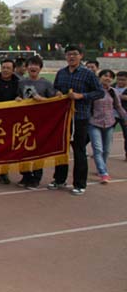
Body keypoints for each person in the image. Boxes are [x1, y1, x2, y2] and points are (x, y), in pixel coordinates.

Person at [48, 45, 103, 196]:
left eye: (74, 54)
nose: (71, 57)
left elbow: (100, 92)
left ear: (81, 56)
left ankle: (79, 184)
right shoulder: (61, 73)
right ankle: (59, 179)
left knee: (79, 150)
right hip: (63, 118)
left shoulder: (88, 74)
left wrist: (82, 96)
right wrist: (57, 92)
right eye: (68, 54)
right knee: (61, 149)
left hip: (80, 118)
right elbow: (55, 89)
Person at [16, 56, 61, 189]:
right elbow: (18, 96)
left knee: (38, 151)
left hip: (41, 122)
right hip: (24, 122)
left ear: (40, 68)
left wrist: (42, 99)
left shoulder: (46, 83)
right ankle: (25, 175)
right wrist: (17, 98)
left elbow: (55, 101)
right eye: (30, 64)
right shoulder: (21, 83)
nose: (33, 67)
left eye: (36, 65)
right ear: (26, 67)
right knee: (22, 150)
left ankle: (36, 178)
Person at [89, 69, 127, 184]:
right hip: (94, 123)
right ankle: (103, 173)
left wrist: (125, 118)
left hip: (109, 123)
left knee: (106, 150)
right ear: (99, 77)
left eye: (110, 77)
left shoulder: (113, 92)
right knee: (98, 149)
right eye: (105, 76)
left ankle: (102, 167)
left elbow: (118, 106)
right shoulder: (93, 91)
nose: (107, 78)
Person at [113, 71, 127, 161]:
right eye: (118, 79)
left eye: (123, 80)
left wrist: (122, 97)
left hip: (125, 115)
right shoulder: (111, 87)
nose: (120, 82)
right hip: (112, 115)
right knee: (105, 134)